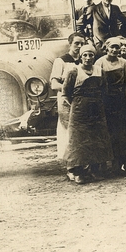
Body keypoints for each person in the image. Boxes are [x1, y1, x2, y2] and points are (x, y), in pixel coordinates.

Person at [62, 44, 112, 183]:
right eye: (85, 55)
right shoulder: (73, 72)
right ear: (80, 56)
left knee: (96, 138)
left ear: (94, 56)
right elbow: (66, 93)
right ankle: (78, 172)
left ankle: (95, 170)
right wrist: (77, 104)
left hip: (97, 110)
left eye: (91, 55)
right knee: (78, 141)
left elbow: (104, 90)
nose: (88, 58)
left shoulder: (99, 71)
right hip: (79, 112)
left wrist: (97, 103)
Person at [94, 37, 126, 174]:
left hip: (120, 99)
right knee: (109, 131)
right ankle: (107, 164)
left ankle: (120, 163)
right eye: (112, 47)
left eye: (117, 47)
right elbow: (98, 84)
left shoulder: (124, 62)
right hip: (106, 100)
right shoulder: (100, 62)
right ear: (106, 48)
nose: (115, 50)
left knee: (121, 132)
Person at [48, 32, 87, 162]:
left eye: (82, 44)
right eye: (77, 43)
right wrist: (70, 89)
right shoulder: (61, 61)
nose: (79, 46)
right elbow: (54, 84)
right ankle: (71, 166)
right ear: (70, 44)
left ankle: (84, 164)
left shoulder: (86, 60)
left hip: (82, 101)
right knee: (68, 132)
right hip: (67, 101)